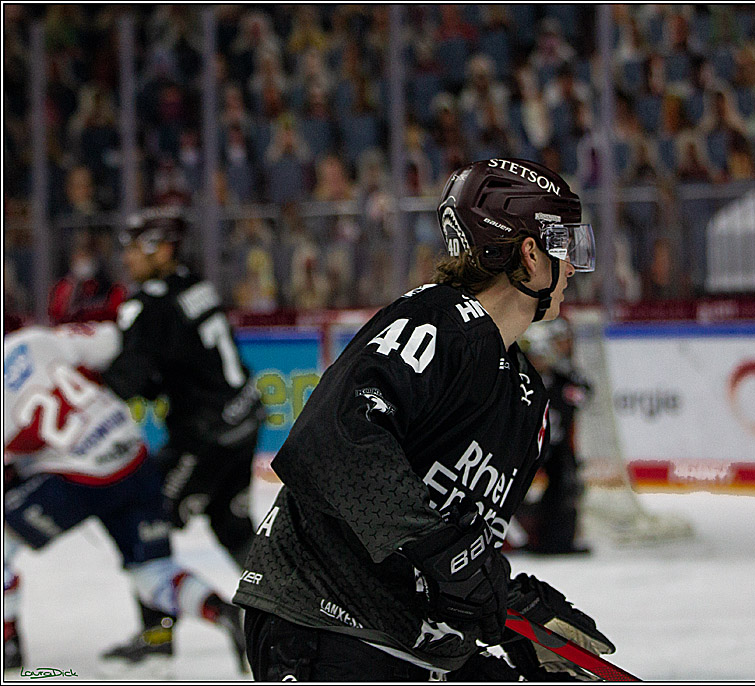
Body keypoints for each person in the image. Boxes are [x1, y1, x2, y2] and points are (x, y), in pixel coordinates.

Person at [233, 157, 615, 680]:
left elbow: (455, 551)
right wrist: (459, 566)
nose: (572, 267)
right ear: (529, 253)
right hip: (325, 623)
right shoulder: (434, 319)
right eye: (562, 248)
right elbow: (334, 442)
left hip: (409, 639)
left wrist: (508, 610)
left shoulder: (526, 396)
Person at [2, 323, 245, 675]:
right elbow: (111, 340)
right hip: (133, 455)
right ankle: (223, 612)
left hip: (80, 480)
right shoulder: (32, 341)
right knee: (152, 571)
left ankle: (7, 644)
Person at [98, 209, 264, 667]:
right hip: (243, 419)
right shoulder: (195, 284)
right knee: (230, 524)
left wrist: (75, 381)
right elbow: (170, 362)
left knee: (142, 521)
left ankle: (160, 633)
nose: (126, 257)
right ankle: (290, 618)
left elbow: (126, 382)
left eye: (135, 247)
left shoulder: (151, 304)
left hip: (204, 436)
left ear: (163, 249)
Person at [519, 319, 593, 555]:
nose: (541, 360)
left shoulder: (562, 381)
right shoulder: (520, 380)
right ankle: (519, 538)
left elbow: (584, 394)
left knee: (567, 486)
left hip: (556, 449)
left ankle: (557, 540)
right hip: (526, 448)